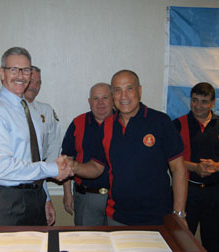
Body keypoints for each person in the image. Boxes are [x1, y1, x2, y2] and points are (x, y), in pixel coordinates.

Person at [68, 70, 188, 226]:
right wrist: (74, 166)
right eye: (117, 90)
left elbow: (179, 168)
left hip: (156, 218)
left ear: (139, 90)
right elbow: (96, 167)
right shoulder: (107, 126)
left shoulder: (160, 122)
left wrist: (179, 213)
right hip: (117, 218)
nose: (123, 96)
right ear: (113, 95)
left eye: (129, 89)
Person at [0, 47, 72, 226]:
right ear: (2, 73)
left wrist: (45, 198)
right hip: (6, 202)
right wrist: (53, 169)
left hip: (34, 196)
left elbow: (33, 159)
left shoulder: (31, 111)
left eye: (26, 70)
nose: (20, 76)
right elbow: (2, 167)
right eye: (13, 69)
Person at [173, 82, 219, 252]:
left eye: (204, 101)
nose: (198, 106)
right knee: (182, 243)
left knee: (213, 243)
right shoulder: (177, 125)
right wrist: (195, 167)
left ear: (213, 103)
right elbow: (167, 159)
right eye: (194, 100)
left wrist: (218, 166)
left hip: (216, 193)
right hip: (186, 192)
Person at [62, 83, 113, 225]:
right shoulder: (78, 123)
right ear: (89, 102)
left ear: (113, 99)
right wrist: (67, 193)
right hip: (86, 198)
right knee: (87, 244)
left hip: (117, 198)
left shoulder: (123, 123)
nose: (100, 103)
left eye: (105, 98)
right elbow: (67, 159)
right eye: (96, 99)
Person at [24, 65, 62, 226]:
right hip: (13, 189)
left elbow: (53, 145)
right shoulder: (7, 110)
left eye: (38, 83)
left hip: (40, 183)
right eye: (31, 81)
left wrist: (50, 170)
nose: (34, 86)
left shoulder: (46, 111)